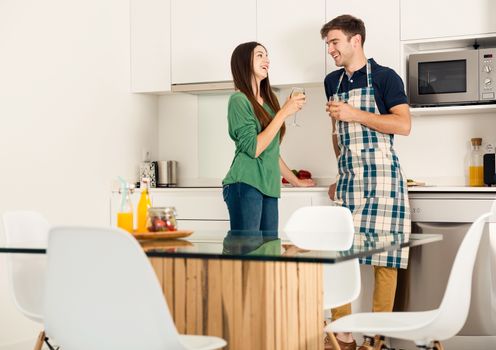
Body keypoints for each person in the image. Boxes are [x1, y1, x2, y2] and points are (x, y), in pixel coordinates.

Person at [321, 15, 411, 350]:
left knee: (384, 260)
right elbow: (337, 134)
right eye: (328, 44)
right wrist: (340, 170)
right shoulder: (332, 81)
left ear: (355, 40)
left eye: (334, 42)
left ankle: (376, 338)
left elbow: (403, 125)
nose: (330, 49)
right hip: (349, 180)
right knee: (340, 257)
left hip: (383, 179)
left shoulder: (386, 77)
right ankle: (342, 334)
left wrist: (355, 114)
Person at [222, 42, 315, 232]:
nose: (267, 60)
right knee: (248, 254)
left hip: (269, 186)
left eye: (267, 55)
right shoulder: (239, 100)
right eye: (259, 55)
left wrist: (295, 181)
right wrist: (283, 113)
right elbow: (254, 149)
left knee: (269, 251)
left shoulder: (269, 101)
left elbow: (271, 151)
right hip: (245, 183)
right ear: (243, 62)